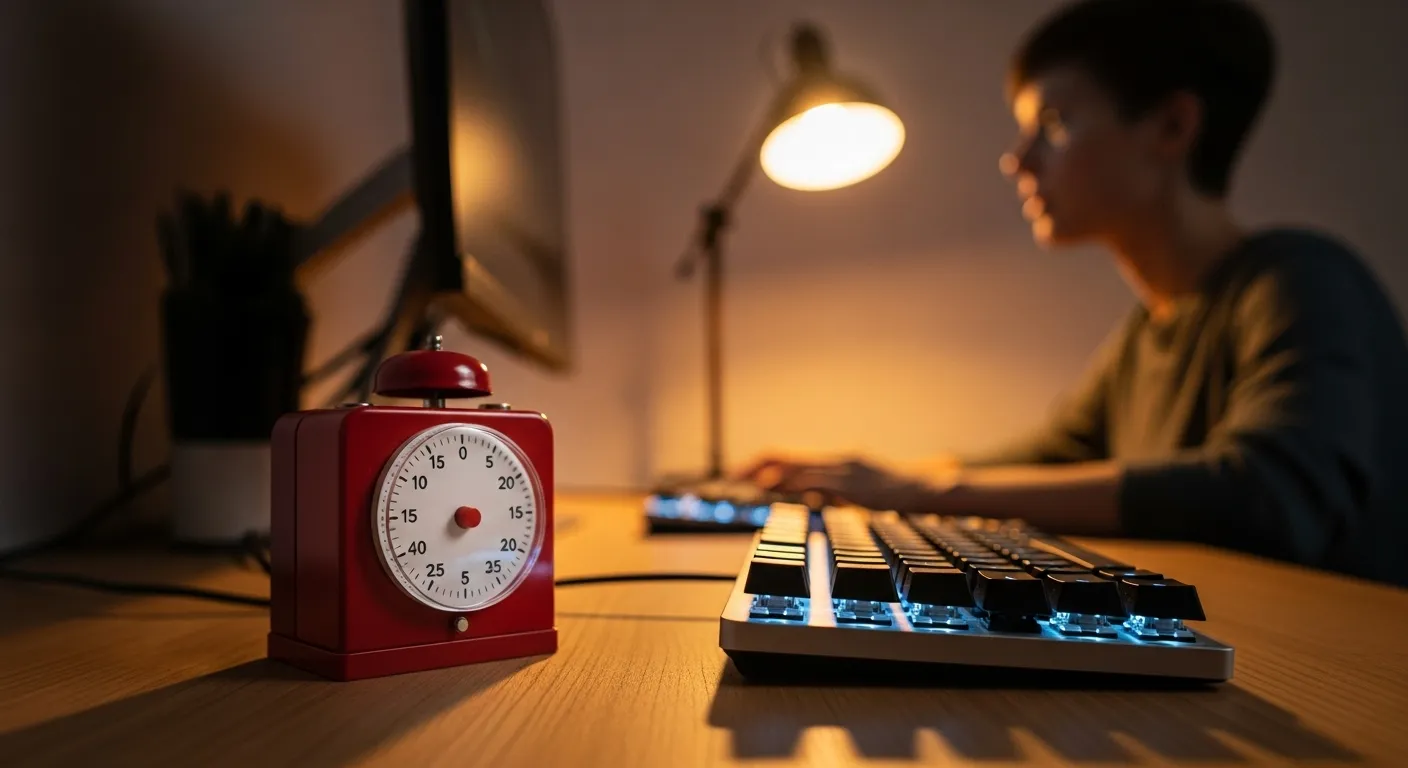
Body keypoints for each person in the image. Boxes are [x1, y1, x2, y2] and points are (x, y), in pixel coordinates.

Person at [743, 0, 1408, 586]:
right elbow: (1047, 461)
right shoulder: (1148, 333)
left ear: (1173, 127)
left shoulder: (1302, 279)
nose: (1018, 158)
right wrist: (871, 477)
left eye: (1054, 124)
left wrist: (919, 489)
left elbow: (1267, 496)